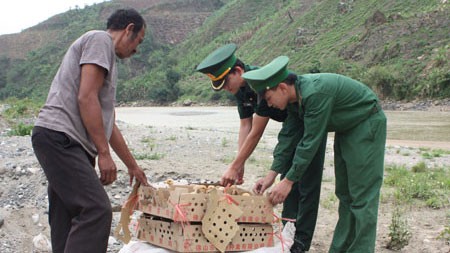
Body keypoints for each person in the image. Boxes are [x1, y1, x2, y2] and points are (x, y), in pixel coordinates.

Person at [31, 8, 149, 253]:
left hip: (58, 139)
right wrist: (104, 155)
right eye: (138, 40)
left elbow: (109, 124)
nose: (137, 49)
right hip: (61, 138)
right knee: (96, 210)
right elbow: (86, 98)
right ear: (129, 29)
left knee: (66, 217)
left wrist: (132, 166)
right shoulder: (100, 40)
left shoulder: (106, 57)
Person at [244, 56, 386, 253]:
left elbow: (310, 141)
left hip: (366, 123)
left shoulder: (315, 94)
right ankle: (340, 248)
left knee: (362, 196)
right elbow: (288, 137)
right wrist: (271, 175)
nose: (269, 105)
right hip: (346, 128)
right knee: (345, 194)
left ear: (283, 88)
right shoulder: (295, 101)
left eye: (269, 99)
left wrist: (288, 181)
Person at [196, 44, 326, 252]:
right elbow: (245, 125)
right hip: (289, 128)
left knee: (305, 183)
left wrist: (234, 165)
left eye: (226, 82)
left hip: (307, 121)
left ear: (238, 71)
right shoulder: (240, 89)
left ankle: (301, 241)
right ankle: (289, 232)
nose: (226, 89)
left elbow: (257, 130)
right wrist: (240, 164)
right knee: (287, 180)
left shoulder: (261, 84)